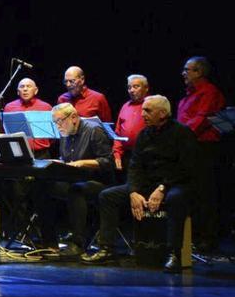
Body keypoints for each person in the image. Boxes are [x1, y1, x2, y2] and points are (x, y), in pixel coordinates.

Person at [84, 95, 198, 273]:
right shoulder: (144, 134)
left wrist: (163, 188)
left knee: (176, 199)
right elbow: (135, 166)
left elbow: (186, 167)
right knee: (108, 196)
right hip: (147, 184)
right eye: (143, 109)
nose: (142, 114)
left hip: (174, 184)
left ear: (162, 113)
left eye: (147, 110)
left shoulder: (182, 133)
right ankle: (107, 248)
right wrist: (133, 192)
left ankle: (174, 253)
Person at [38, 103, 114, 257]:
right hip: (73, 178)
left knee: (76, 190)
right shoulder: (65, 134)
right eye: (55, 123)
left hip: (98, 182)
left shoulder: (94, 130)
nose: (57, 126)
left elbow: (108, 162)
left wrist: (83, 163)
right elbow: (66, 160)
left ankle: (78, 242)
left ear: (73, 117)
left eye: (59, 121)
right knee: (41, 186)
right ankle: (49, 241)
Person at [177, 56, 226, 252]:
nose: (184, 73)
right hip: (188, 148)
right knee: (190, 195)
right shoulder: (186, 97)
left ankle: (207, 238)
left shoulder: (209, 92)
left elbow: (201, 120)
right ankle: (192, 237)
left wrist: (176, 138)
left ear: (199, 72)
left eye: (187, 70)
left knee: (204, 195)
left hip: (203, 149)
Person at [0, 78, 53, 238]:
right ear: (17, 91)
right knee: (18, 195)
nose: (25, 89)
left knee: (41, 195)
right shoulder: (9, 107)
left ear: (36, 90)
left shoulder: (46, 107)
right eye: (22, 86)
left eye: (29, 86)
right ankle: (22, 232)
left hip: (41, 155)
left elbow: (54, 134)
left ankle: (43, 233)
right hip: (19, 155)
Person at [112, 74, 149, 170]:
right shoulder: (125, 106)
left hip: (146, 156)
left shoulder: (152, 105)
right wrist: (117, 153)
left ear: (146, 88)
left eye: (136, 87)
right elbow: (118, 133)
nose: (131, 90)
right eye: (129, 87)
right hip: (126, 156)